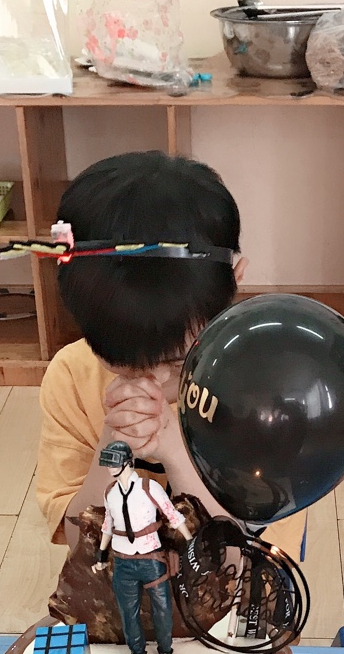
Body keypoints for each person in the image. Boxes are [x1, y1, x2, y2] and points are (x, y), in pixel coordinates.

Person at [35, 150, 242, 550]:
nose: (152, 380)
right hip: (113, 577)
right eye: (122, 364)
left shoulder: (260, 385)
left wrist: (175, 452)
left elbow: (239, 559)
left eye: (177, 361)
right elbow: (79, 542)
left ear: (235, 282)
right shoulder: (72, 375)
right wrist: (112, 446)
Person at [92, 440, 186, 654]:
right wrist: (101, 554)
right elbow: (108, 524)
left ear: (127, 462)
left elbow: (172, 514)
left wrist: (190, 541)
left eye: (114, 463)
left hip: (151, 558)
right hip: (123, 560)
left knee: (162, 609)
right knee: (128, 613)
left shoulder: (149, 487)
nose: (110, 468)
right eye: (108, 463)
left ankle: (165, 651)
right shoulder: (110, 493)